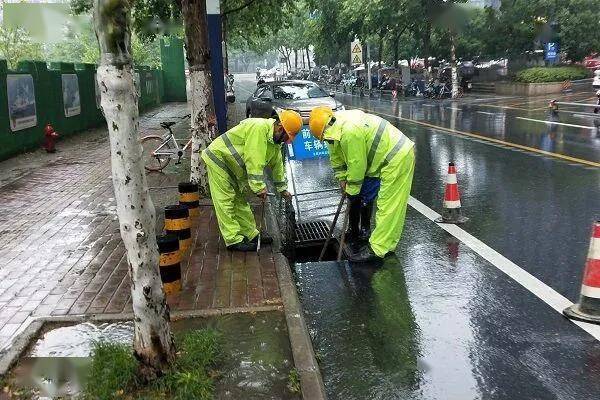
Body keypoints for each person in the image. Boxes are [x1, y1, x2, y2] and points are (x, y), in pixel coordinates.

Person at [309, 106, 415, 263]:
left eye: (324, 139)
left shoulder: (349, 132)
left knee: (388, 206)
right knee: (380, 202)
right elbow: (337, 158)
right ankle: (383, 243)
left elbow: (357, 166)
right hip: (379, 160)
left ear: (325, 131)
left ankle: (379, 249)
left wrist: (351, 191)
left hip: (396, 156)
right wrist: (341, 179)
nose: (326, 142)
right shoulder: (334, 130)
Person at [201, 110, 302, 251]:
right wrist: (259, 188)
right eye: (286, 137)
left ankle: (251, 234)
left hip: (234, 167)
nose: (286, 141)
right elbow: (254, 160)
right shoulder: (259, 128)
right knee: (225, 200)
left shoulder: (275, 142)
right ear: (280, 128)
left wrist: (282, 189)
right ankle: (233, 239)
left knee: (241, 200)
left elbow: (277, 166)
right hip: (219, 160)